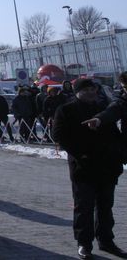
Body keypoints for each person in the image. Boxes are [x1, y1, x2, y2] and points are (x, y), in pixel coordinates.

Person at [54, 78, 125, 259]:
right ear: (77, 92)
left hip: (107, 166)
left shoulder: (103, 108)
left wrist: (117, 154)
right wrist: (81, 154)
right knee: (83, 208)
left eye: (93, 89)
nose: (91, 92)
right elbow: (60, 136)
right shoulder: (66, 110)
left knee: (105, 207)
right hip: (83, 167)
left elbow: (114, 134)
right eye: (86, 89)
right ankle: (84, 244)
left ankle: (106, 240)